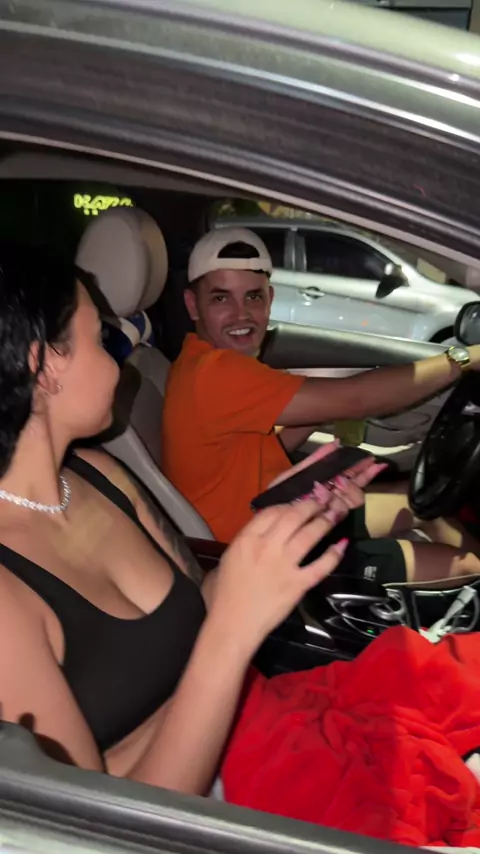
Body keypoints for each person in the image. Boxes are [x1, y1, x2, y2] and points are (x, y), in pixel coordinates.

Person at [0, 239, 381, 795]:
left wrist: (276, 529)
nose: (116, 361)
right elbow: (94, 824)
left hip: (257, 731)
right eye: (100, 339)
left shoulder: (102, 476)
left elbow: (200, 605)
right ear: (45, 366)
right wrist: (233, 634)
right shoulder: (5, 601)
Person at [161, 227, 480, 584]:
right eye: (221, 298)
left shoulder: (198, 359)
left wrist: (319, 410)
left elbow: (253, 450)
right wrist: (464, 358)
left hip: (282, 519)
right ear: (193, 305)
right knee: (467, 566)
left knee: (424, 507)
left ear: (269, 299)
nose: (242, 314)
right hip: (261, 556)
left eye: (253, 296)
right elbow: (357, 398)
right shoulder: (216, 373)